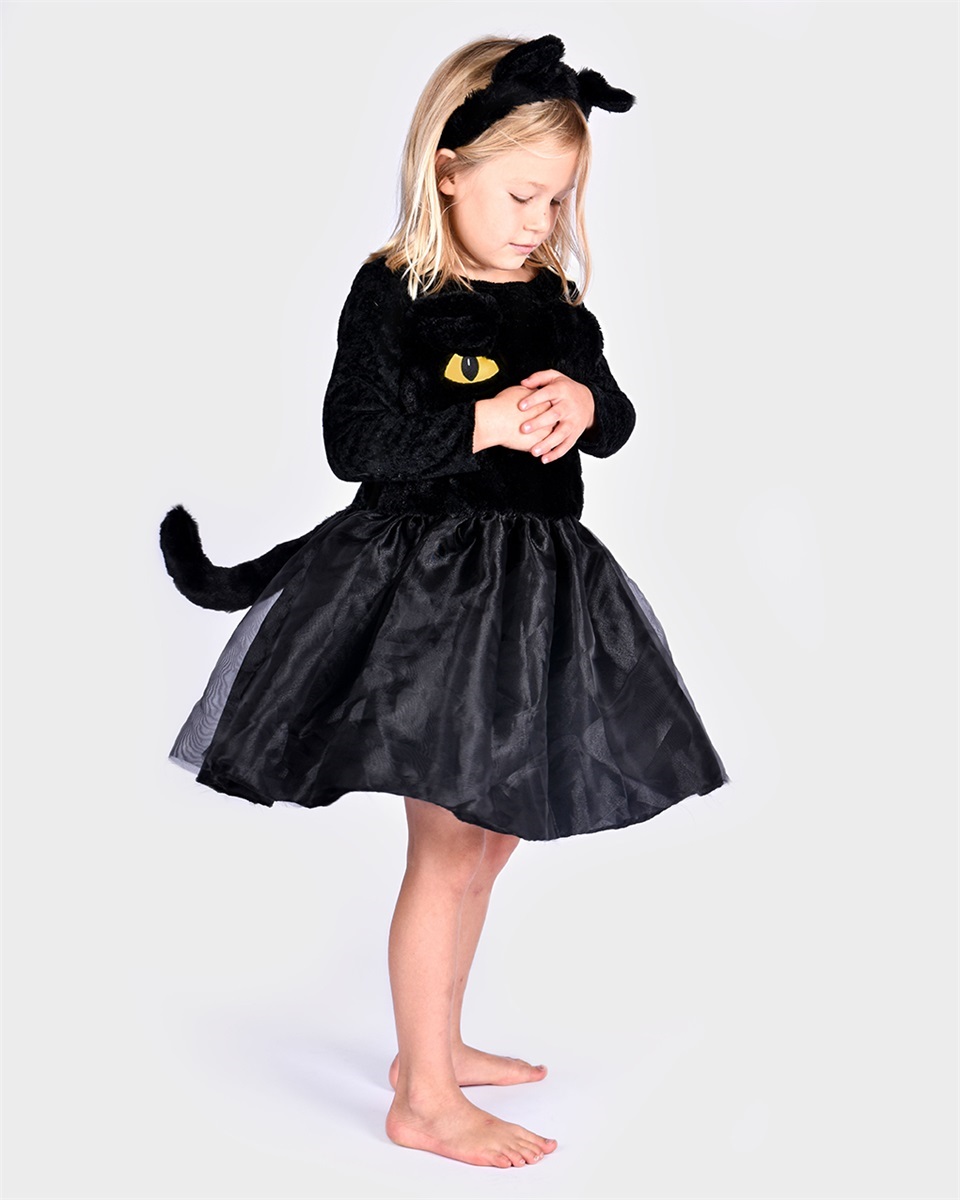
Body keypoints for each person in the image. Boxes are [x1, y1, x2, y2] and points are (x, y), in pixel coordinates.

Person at [159, 33, 730, 1169]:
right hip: (427, 596)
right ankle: (422, 1097)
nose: (539, 222)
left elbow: (613, 415)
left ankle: (437, 1043)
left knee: (495, 830)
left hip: (537, 590)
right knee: (449, 838)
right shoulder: (398, 291)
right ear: (448, 168)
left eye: (557, 201)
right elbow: (354, 441)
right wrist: (481, 422)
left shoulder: (553, 297)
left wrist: (585, 403)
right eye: (521, 197)